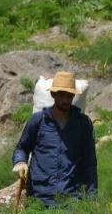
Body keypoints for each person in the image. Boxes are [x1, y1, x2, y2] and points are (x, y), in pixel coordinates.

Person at [12, 71, 97, 206]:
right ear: (53, 94)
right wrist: (20, 162)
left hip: (72, 199)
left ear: (73, 96)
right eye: (61, 95)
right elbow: (22, 148)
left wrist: (92, 199)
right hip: (39, 197)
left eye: (69, 95)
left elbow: (89, 164)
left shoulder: (83, 124)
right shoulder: (38, 121)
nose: (65, 100)